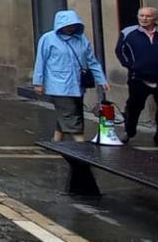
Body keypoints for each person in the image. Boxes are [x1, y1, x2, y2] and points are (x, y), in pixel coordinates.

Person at [33, 10, 109, 143]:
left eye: (73, 24)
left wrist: (101, 79)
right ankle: (80, 143)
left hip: (77, 84)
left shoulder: (82, 40)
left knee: (71, 111)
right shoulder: (48, 39)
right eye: (68, 25)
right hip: (58, 85)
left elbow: (92, 61)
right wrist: (38, 82)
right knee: (70, 114)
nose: (71, 27)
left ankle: (56, 141)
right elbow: (41, 61)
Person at [114, 6, 158, 145]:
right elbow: (120, 51)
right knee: (134, 107)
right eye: (141, 15)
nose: (144, 19)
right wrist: (131, 65)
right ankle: (129, 132)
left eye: (148, 16)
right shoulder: (128, 32)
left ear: (155, 18)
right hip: (138, 78)